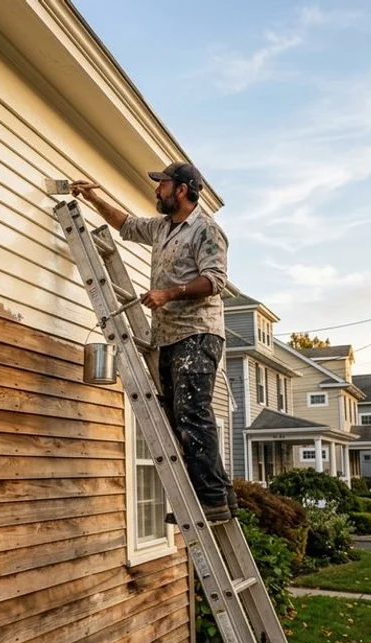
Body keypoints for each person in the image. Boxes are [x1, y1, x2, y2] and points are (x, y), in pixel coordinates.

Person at [71, 162, 236, 523]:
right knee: (179, 416)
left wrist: (169, 293)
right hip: (168, 336)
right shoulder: (162, 228)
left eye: (163, 184)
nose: (156, 190)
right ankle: (222, 495)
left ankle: (211, 501)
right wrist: (91, 196)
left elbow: (214, 281)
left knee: (193, 414)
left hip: (198, 333)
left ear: (182, 189)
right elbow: (127, 226)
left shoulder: (206, 230)